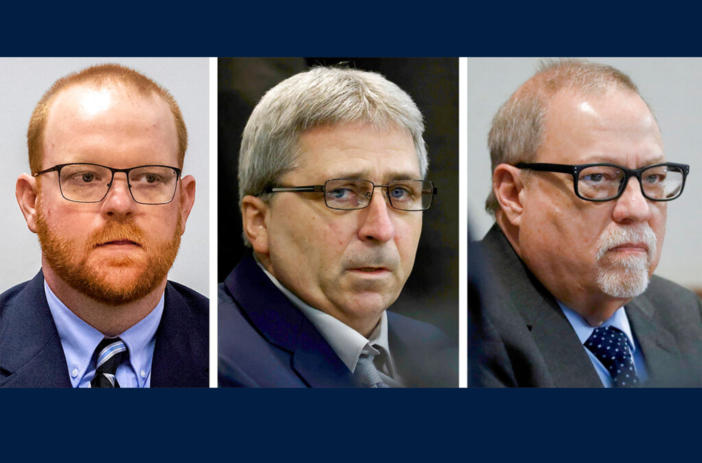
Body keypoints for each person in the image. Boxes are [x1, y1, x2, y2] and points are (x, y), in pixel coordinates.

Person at [468, 59, 702, 388]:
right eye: (598, 177)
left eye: (653, 178)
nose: (638, 208)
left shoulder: (682, 313)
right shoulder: (470, 324)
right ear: (514, 193)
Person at [218, 66, 457, 388]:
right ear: (258, 221)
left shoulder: (436, 349)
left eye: (400, 192)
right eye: (341, 193)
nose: (381, 229)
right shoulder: (218, 363)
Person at [0, 64, 208, 388]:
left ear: (183, 204)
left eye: (150, 178)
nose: (121, 205)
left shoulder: (228, 353)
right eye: (86, 177)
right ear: (31, 202)